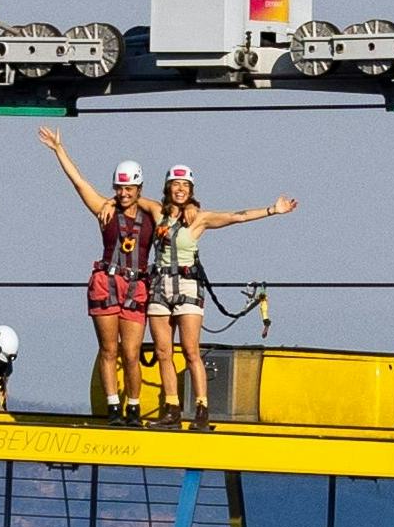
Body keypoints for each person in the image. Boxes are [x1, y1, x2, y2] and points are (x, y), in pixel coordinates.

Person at [148, 161, 297, 421]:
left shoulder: (200, 218)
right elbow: (124, 198)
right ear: (167, 187)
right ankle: (171, 407)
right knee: (163, 351)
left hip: (187, 286)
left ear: (191, 189)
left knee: (190, 349)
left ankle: (201, 407)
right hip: (160, 286)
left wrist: (273, 210)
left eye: (185, 185)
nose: (180, 189)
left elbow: (236, 216)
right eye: (175, 184)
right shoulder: (155, 211)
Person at [39, 137, 166, 415]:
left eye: (129, 188)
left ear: (139, 188)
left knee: (132, 353)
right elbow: (80, 184)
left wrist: (130, 199)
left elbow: (163, 209)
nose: (123, 193)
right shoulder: (104, 212)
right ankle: (112, 406)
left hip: (137, 286)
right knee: (109, 350)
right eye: (119, 188)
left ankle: (133, 406)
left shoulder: (151, 215)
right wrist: (61, 150)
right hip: (106, 283)